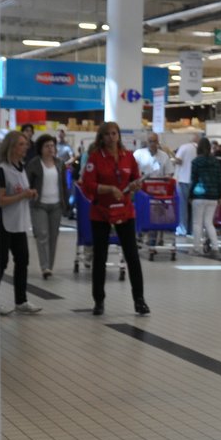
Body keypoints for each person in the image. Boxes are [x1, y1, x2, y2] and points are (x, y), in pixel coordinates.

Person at [80, 122, 150, 317]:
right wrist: (109, 189)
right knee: (100, 256)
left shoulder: (128, 157)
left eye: (115, 133)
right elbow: (88, 185)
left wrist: (136, 185)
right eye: (108, 134)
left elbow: (135, 179)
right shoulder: (95, 158)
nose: (112, 137)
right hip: (101, 212)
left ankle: (139, 300)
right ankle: (99, 300)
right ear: (101, 138)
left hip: (125, 211)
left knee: (132, 256)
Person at [0, 130, 42, 315]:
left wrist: (29, 194)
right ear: (12, 147)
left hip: (20, 222)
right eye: (22, 144)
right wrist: (22, 195)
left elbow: (20, 192)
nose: (26, 147)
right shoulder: (2, 169)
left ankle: (21, 300)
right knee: (1, 262)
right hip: (4, 223)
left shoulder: (21, 168)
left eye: (26, 144)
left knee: (23, 259)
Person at [25, 133, 70, 280]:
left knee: (53, 236)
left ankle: (49, 266)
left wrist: (66, 202)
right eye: (47, 146)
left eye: (52, 146)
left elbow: (64, 184)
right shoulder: (34, 164)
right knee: (42, 235)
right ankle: (44, 267)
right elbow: (27, 183)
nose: (50, 149)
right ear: (41, 148)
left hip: (56, 205)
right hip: (39, 205)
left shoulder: (60, 164)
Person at [135, 133, 174, 251]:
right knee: (141, 215)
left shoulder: (164, 156)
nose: (153, 144)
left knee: (155, 216)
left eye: (155, 141)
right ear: (147, 142)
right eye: (150, 141)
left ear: (158, 142)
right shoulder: (138, 154)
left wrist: (166, 178)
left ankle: (152, 241)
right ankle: (139, 236)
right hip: (142, 192)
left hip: (158, 193)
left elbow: (169, 172)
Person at [189, 137, 221, 255]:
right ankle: (215, 248)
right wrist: (220, 195)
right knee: (209, 222)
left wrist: (190, 195)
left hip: (199, 196)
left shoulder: (196, 162)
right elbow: (219, 180)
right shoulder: (216, 162)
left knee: (197, 223)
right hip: (213, 196)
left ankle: (197, 248)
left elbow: (193, 180)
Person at [173, 133, 199, 237]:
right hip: (196, 182)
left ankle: (182, 228)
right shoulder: (201, 149)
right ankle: (192, 230)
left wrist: (172, 158)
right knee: (194, 207)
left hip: (183, 179)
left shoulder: (184, 147)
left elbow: (178, 160)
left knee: (182, 206)